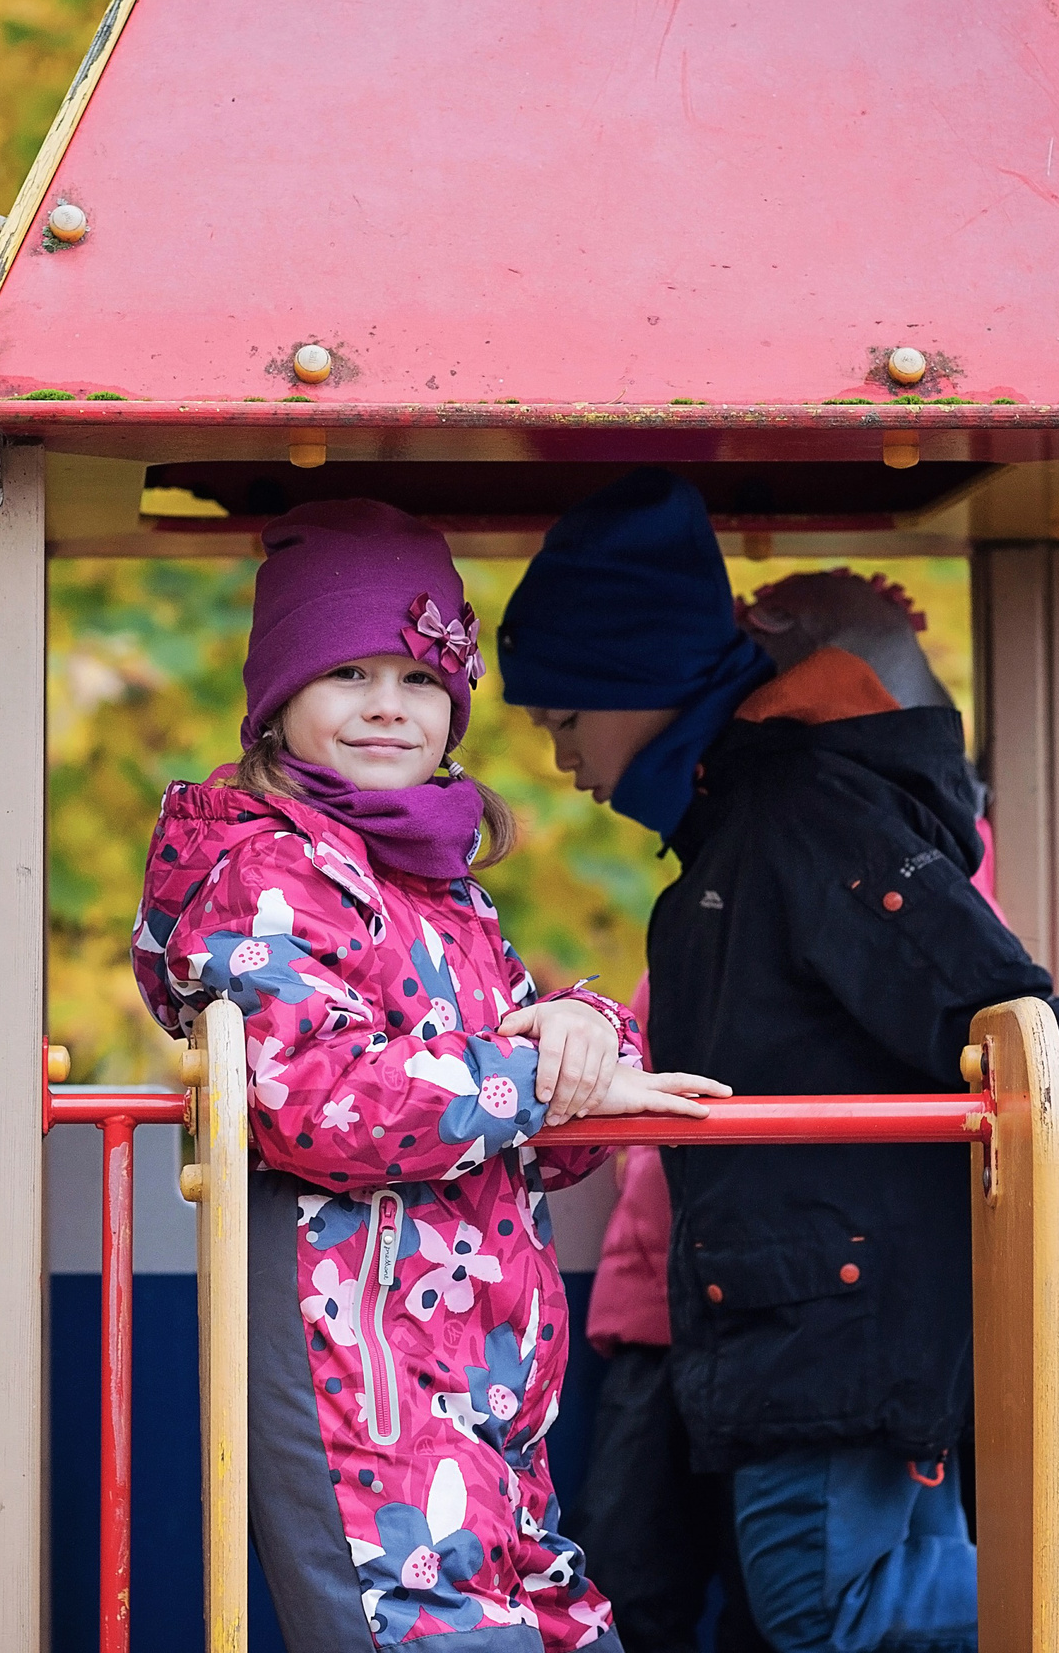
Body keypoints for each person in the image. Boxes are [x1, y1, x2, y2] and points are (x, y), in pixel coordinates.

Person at [496, 471, 1059, 1653]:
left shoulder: (797, 813)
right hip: (799, 1304)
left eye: (564, 721)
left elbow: (987, 993)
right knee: (817, 1602)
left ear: (638, 682)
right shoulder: (730, 843)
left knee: (820, 1606)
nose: (560, 761)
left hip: (835, 1310)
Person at [131, 500, 728, 1653]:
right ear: (278, 700)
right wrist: (538, 1070)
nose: (384, 706)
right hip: (355, 1369)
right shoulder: (262, 870)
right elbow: (322, 1103)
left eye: (416, 677)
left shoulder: (438, 886)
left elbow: (527, 1111)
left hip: (488, 1372)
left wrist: (583, 1037)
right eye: (346, 671)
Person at [574, 987, 770, 1653]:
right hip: (659, 1308)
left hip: (780, 1324)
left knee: (775, 1598)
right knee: (623, 1583)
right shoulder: (694, 915)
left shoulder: (895, 896)